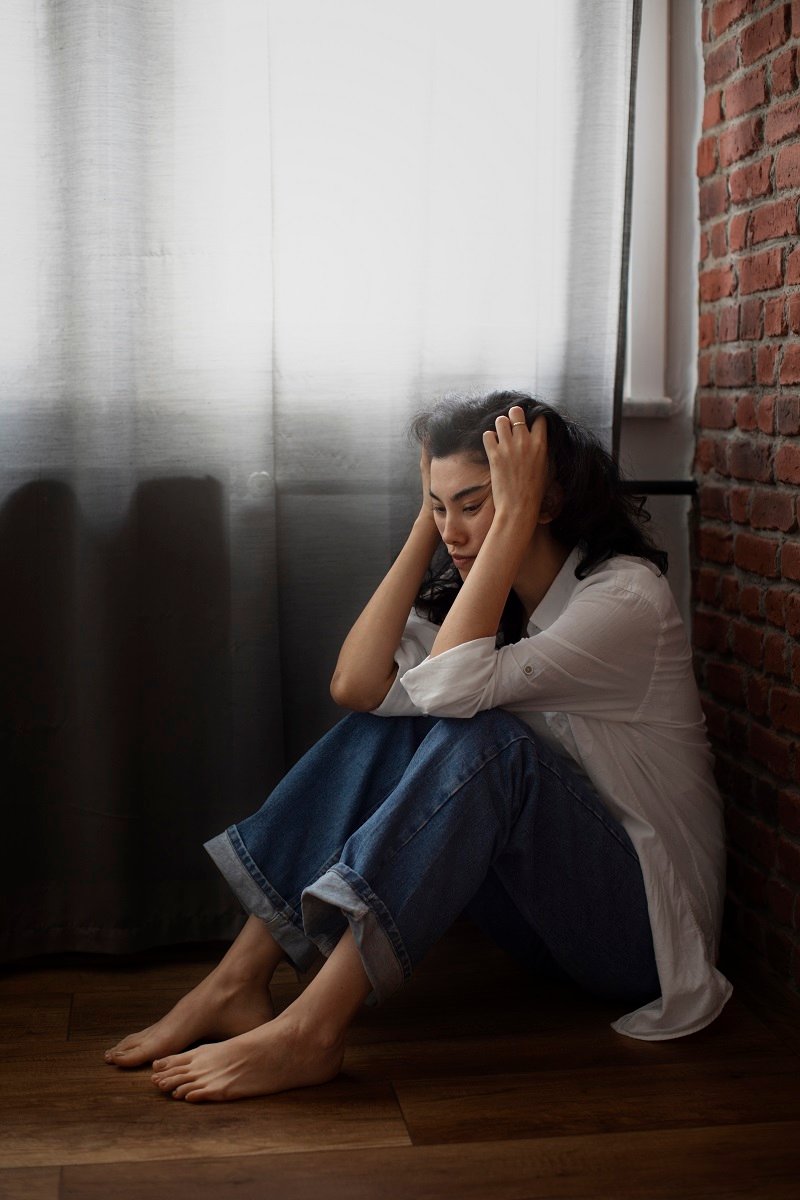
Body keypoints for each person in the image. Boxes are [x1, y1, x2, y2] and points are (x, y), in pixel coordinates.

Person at [104, 390, 731, 1103]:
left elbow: (451, 687)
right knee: (395, 723)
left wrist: (511, 517)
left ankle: (313, 1029)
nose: (453, 533)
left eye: (473, 505)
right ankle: (238, 980)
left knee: (488, 740)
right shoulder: (491, 601)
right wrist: (426, 527)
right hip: (547, 925)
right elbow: (356, 685)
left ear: (544, 499)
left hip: (644, 938)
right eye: (438, 507)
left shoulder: (623, 600)